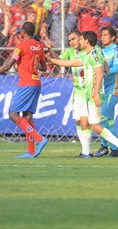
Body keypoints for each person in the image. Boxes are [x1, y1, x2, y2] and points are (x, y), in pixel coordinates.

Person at [49, 30, 118, 158]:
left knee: (95, 125)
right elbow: (69, 63)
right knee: (84, 122)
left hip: (93, 95)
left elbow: (99, 73)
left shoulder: (94, 55)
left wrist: (96, 93)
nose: (79, 42)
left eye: (80, 39)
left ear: (86, 41)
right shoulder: (89, 54)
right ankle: (86, 152)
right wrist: (50, 60)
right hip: (88, 94)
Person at [0, 22, 49, 158]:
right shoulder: (39, 46)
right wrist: (30, 65)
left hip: (26, 83)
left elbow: (6, 66)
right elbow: (44, 68)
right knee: (27, 116)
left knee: (13, 115)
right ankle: (31, 151)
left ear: (23, 32)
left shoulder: (20, 46)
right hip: (36, 83)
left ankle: (39, 138)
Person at [47, 29, 90, 157]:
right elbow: (60, 61)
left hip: (89, 90)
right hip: (77, 91)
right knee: (78, 121)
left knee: (88, 122)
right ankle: (85, 151)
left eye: (73, 39)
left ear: (80, 38)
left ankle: (113, 145)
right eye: (69, 40)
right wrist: (50, 50)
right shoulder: (70, 51)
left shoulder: (89, 51)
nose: (71, 42)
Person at [92, 27, 118, 157]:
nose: (102, 37)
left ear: (113, 37)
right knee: (108, 120)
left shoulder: (117, 51)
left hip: (114, 89)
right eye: (102, 35)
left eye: (105, 35)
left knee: (102, 116)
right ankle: (110, 148)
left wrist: (101, 74)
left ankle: (111, 146)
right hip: (102, 89)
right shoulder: (100, 51)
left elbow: (116, 68)